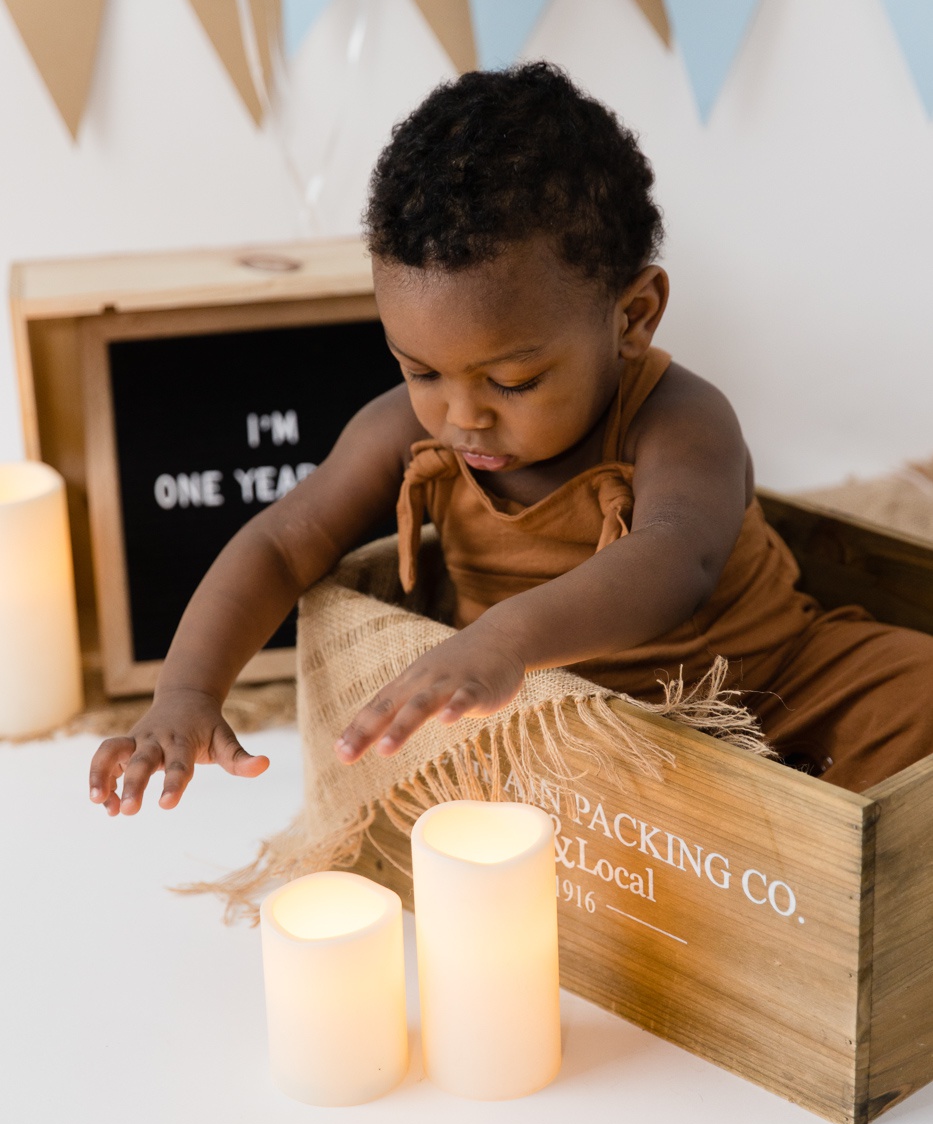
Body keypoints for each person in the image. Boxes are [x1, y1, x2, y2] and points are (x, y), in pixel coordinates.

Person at [88, 62, 933, 817]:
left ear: (631, 317)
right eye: (421, 372)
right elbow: (280, 541)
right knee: (489, 805)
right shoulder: (399, 432)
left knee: (915, 689)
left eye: (514, 381)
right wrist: (187, 690)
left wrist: (504, 639)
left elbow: (680, 558)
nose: (463, 417)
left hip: (768, 681)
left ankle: (812, 827)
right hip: (565, 727)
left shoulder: (679, 417)